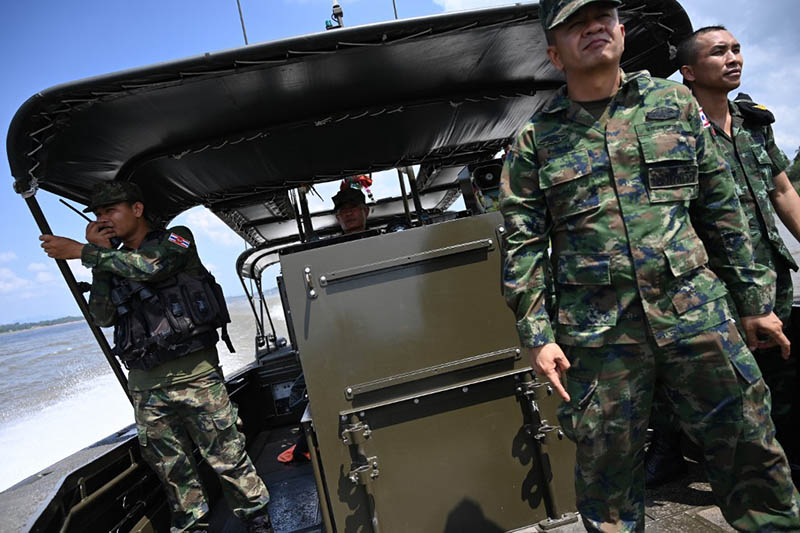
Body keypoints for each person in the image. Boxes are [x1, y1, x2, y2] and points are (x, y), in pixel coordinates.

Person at [499, 1, 800, 530]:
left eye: (602, 15)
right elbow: (523, 245)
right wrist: (537, 335)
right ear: (553, 53)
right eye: (574, 23)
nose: (592, 27)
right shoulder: (534, 142)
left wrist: (754, 304)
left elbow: (720, 205)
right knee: (606, 477)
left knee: (750, 450)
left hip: (699, 317)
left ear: (618, 29)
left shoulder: (676, 104)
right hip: (599, 337)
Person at [40, 182, 273, 533]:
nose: (104, 219)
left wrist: (85, 252)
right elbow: (102, 317)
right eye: (99, 214)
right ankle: (193, 526)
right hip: (147, 386)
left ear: (136, 209)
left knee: (226, 456)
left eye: (110, 210)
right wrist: (99, 260)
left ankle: (257, 520)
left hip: (196, 376)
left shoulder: (177, 239)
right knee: (172, 468)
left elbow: (152, 267)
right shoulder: (109, 260)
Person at [646, 26, 800, 486]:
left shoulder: (753, 122)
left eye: (736, 50)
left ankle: (781, 467)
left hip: (770, 274)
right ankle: (677, 448)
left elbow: (782, 190)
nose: (733, 58)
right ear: (689, 72)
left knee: (780, 374)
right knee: (718, 383)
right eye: (719, 52)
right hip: (710, 284)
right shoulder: (671, 135)